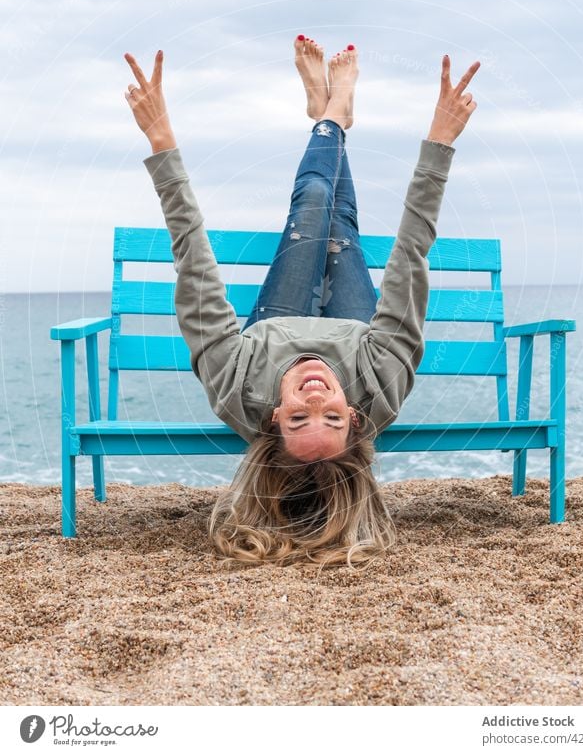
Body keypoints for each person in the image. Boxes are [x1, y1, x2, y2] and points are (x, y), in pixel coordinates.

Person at [124, 36, 479, 568]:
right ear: (357, 419)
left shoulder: (235, 386)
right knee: (339, 222)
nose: (316, 394)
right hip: (358, 337)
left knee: (315, 202)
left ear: (271, 419)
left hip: (278, 326)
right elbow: (410, 257)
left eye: (298, 419)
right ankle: (330, 112)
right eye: (332, 418)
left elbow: (193, 262)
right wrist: (440, 144)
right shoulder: (380, 386)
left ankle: (330, 113)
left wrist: (160, 142)